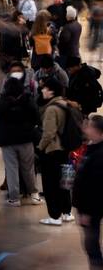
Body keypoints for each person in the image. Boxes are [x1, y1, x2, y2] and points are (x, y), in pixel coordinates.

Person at [0, 76, 42, 207]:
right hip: (26, 139)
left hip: (7, 140)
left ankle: (14, 198)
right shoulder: (27, 99)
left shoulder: (2, 101)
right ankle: (34, 194)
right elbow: (37, 117)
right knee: (28, 168)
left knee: (11, 168)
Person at [38, 78, 79, 226]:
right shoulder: (67, 104)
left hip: (53, 150)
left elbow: (49, 133)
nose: (42, 90)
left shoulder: (51, 109)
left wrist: (40, 148)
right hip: (66, 149)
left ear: (51, 91)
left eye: (44, 88)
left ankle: (54, 216)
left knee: (50, 185)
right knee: (64, 183)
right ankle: (67, 213)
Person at [74, 115, 103, 270]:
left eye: (89, 127)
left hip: (91, 210)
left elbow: (96, 188)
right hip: (88, 208)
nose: (85, 129)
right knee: (91, 247)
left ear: (98, 131)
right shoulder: (91, 148)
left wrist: (86, 212)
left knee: (92, 248)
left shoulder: (99, 155)